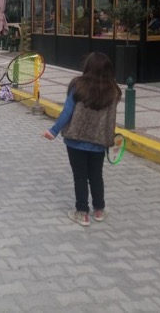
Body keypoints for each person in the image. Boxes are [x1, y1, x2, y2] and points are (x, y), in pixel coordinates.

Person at [44, 52, 121, 227]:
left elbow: (67, 112)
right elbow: (110, 118)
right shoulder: (113, 91)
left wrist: (53, 131)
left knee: (80, 176)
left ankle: (82, 213)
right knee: (96, 175)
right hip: (99, 141)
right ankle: (99, 210)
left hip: (75, 140)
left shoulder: (78, 86)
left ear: (88, 67)